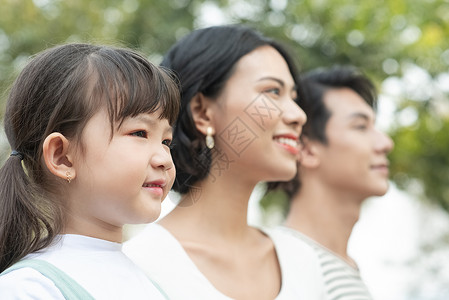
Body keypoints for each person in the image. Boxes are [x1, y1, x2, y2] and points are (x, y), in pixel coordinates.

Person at [124, 25, 325, 299]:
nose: (298, 115)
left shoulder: (302, 261)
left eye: (294, 97)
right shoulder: (139, 267)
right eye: (272, 92)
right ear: (203, 112)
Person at [0, 43, 180, 299]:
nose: (164, 159)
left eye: (166, 141)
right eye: (140, 133)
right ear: (62, 157)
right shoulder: (29, 289)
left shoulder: (151, 283)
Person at [272, 65, 394, 300]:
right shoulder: (280, 270)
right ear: (306, 150)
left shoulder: (344, 268)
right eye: (361, 126)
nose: (385, 143)